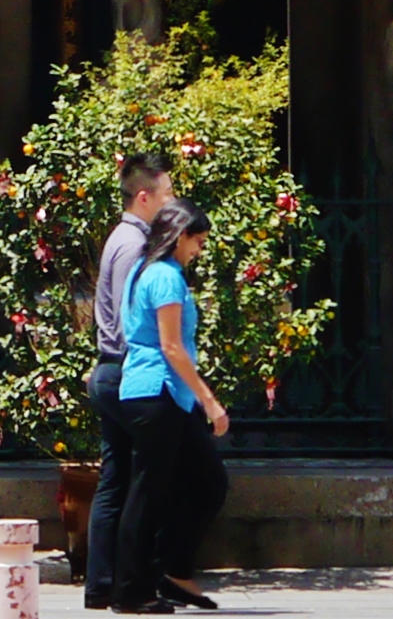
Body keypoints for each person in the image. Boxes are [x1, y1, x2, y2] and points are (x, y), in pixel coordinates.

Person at [110, 201, 230, 615]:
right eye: (197, 241)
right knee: (149, 492)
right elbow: (171, 346)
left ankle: (172, 573)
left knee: (202, 482)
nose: (199, 249)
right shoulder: (164, 277)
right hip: (158, 392)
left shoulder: (147, 270)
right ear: (180, 236)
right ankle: (131, 591)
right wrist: (210, 401)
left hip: (158, 394)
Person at [80, 153, 176, 607]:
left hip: (110, 369)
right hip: (126, 372)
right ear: (145, 196)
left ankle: (101, 584)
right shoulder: (135, 245)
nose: (172, 201)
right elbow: (129, 319)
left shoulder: (120, 237)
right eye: (168, 193)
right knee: (148, 478)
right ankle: (132, 586)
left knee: (117, 478)